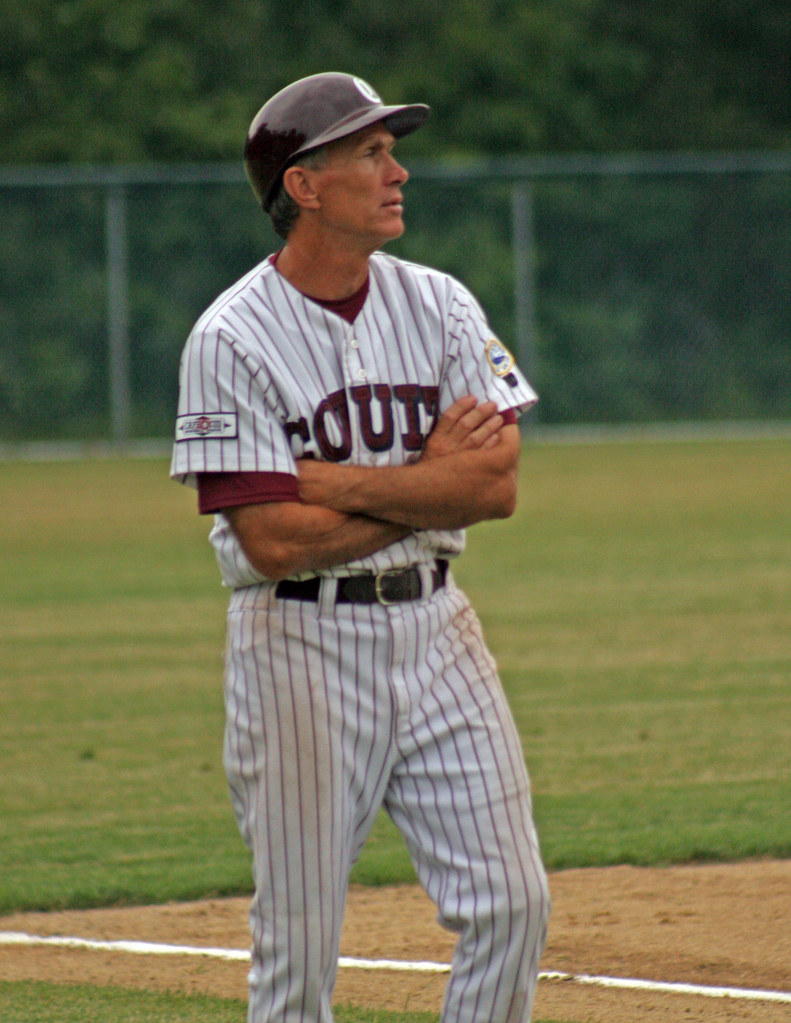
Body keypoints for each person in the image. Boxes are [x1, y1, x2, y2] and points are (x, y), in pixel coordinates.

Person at [171, 72, 550, 1023]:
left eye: (391, 150)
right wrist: (427, 487)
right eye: (371, 153)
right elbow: (268, 537)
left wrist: (335, 481)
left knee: (513, 902)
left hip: (438, 631)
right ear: (304, 185)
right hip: (297, 646)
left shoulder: (442, 304)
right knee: (298, 954)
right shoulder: (229, 336)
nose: (399, 172)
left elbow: (494, 486)